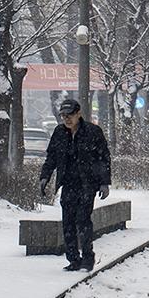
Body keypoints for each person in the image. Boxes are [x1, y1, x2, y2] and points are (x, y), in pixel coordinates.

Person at [39, 99, 111, 272]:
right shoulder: (59, 133)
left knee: (83, 220)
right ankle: (73, 259)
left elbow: (103, 158)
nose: (66, 119)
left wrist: (104, 183)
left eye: (70, 115)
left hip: (88, 183)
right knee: (68, 222)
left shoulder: (93, 132)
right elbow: (52, 157)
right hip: (68, 183)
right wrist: (45, 177)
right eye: (63, 116)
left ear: (79, 114)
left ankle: (88, 257)